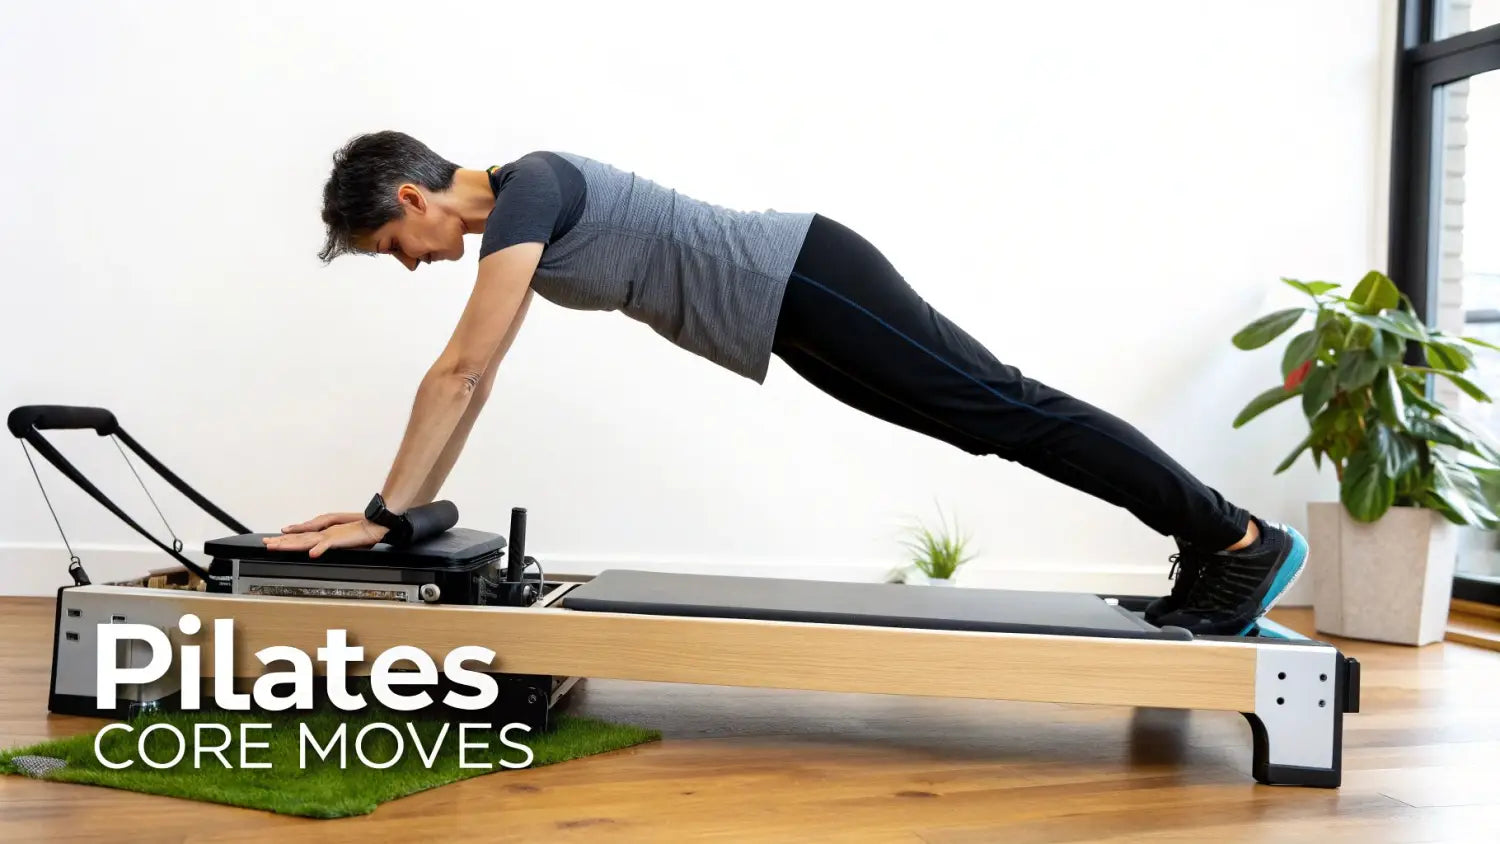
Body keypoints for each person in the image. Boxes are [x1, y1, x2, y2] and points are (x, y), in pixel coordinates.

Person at [266, 130, 1307, 636]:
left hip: (806, 277)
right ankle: (1217, 550)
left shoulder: (531, 187)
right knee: (994, 424)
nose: (407, 262)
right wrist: (399, 518)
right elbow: (474, 383)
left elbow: (463, 367)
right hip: (788, 309)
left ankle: (1238, 540)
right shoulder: (520, 221)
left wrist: (380, 514)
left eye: (393, 243)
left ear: (415, 195)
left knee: (1009, 408)